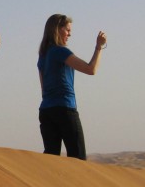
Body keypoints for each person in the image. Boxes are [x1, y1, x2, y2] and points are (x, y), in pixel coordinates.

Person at [37, 14, 106, 159]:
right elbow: (91, 69)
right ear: (57, 29)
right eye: (67, 30)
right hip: (65, 109)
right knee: (78, 159)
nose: (70, 34)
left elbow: (43, 89)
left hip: (46, 111)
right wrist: (99, 47)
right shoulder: (61, 52)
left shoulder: (43, 56)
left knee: (51, 159)